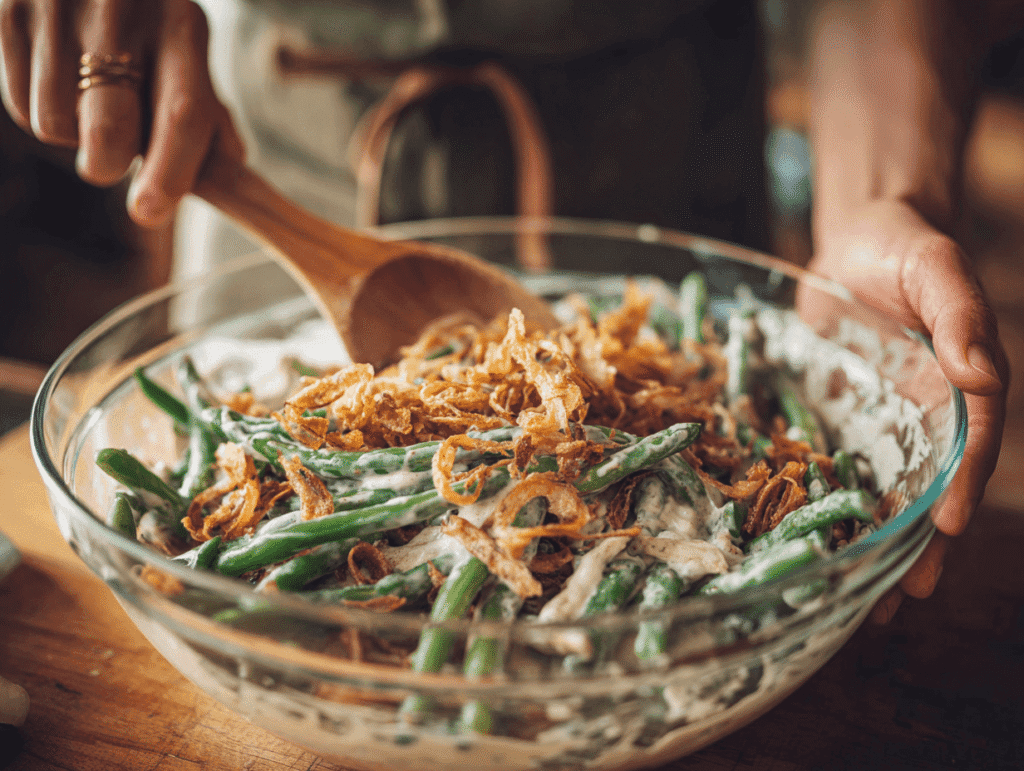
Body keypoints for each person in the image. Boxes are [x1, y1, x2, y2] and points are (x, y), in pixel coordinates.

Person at [0, 0, 1012, 623]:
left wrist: (893, 195)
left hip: (654, 141)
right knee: (242, 417)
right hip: (277, 150)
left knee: (709, 386)